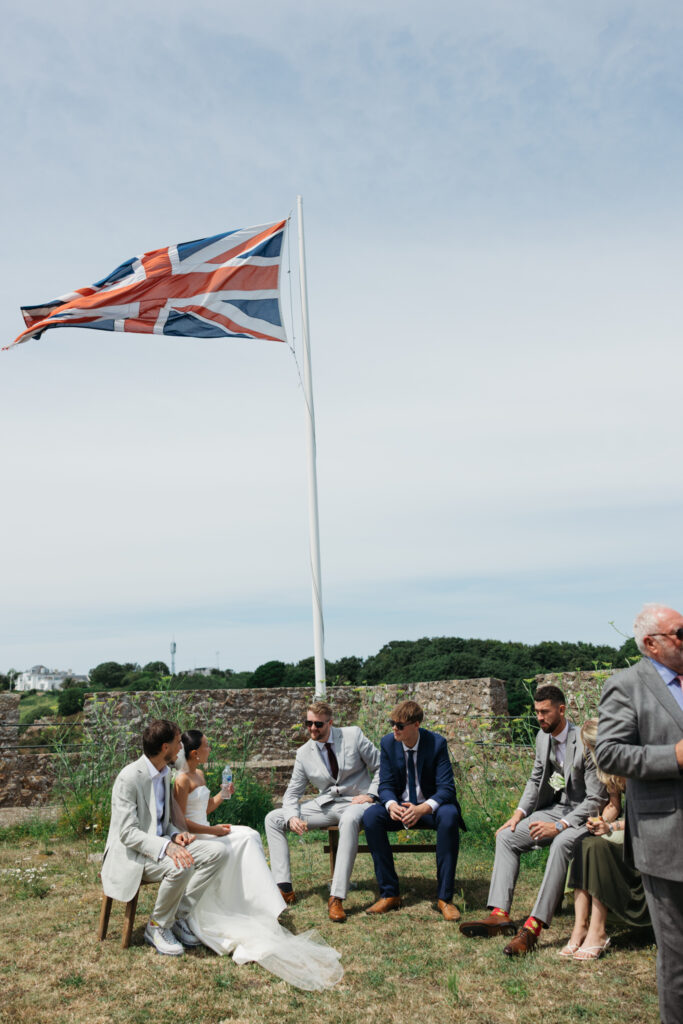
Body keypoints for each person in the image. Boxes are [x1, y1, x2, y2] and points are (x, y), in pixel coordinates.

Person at [172, 729, 343, 991]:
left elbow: (205, 809)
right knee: (244, 839)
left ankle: (257, 903)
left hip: (209, 830)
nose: (210, 748)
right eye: (207, 746)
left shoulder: (200, 773)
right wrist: (214, 831)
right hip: (198, 838)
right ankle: (248, 902)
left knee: (250, 835)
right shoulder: (182, 780)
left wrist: (222, 795)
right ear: (195, 753)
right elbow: (181, 822)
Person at [459, 684, 605, 955]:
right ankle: (500, 915)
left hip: (584, 816)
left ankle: (532, 928)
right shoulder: (541, 737)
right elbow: (537, 777)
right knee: (506, 835)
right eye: (537, 712)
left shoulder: (584, 740)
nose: (540, 717)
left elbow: (596, 799)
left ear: (561, 710)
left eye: (545, 712)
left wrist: (560, 825)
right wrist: (518, 813)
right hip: (555, 808)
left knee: (561, 843)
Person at [595, 603, 683, 1023]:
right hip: (667, 837)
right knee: (678, 953)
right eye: (681, 632)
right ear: (652, 643)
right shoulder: (627, 685)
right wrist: (675, 757)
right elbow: (610, 752)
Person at [101, 719, 229, 957]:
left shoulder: (165, 772)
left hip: (160, 846)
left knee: (218, 852)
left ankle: (176, 917)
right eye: (178, 741)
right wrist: (166, 846)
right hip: (133, 854)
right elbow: (128, 833)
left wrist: (176, 835)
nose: (181, 747)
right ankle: (157, 927)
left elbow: (162, 822)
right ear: (165, 748)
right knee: (182, 865)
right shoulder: (129, 777)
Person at [264, 700, 380, 922]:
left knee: (349, 820)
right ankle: (284, 888)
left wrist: (372, 795)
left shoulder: (353, 735)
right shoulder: (304, 752)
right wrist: (292, 816)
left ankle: (336, 896)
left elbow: (381, 766)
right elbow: (291, 794)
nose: (312, 729)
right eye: (308, 723)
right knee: (273, 818)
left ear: (330, 723)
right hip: (326, 804)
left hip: (357, 802)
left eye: (318, 724)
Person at [362, 699, 466, 920]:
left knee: (449, 816)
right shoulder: (388, 743)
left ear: (416, 725)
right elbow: (386, 784)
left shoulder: (437, 744)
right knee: (371, 816)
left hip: (429, 810)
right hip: (400, 809)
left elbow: (447, 788)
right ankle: (390, 894)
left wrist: (422, 809)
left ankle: (444, 898)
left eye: (400, 725)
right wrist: (390, 805)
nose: (394, 729)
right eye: (392, 723)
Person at [562, 719, 649, 961]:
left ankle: (598, 931)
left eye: (591, 748)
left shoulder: (632, 763)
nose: (591, 754)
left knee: (598, 847)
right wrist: (600, 821)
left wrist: (611, 826)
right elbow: (614, 805)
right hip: (623, 822)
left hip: (641, 826)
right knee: (584, 841)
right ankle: (580, 926)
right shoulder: (606, 769)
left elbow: (638, 817)